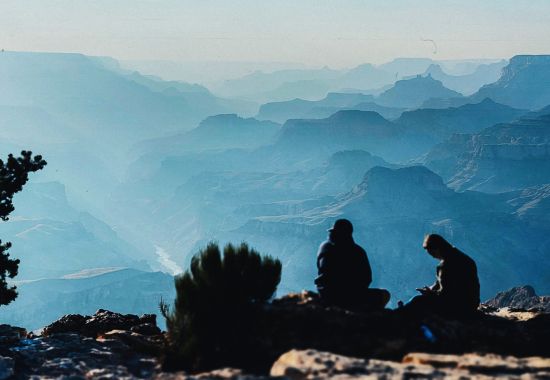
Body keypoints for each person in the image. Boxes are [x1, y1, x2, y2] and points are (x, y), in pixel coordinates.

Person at [314, 219, 390, 311]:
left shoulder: (324, 246)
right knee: (385, 294)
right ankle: (372, 315)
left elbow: (321, 270)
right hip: (351, 297)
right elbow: (367, 279)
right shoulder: (358, 251)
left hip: (324, 293)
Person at [403, 234, 480, 316]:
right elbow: (444, 283)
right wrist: (431, 288)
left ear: (437, 249)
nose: (433, 257)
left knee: (418, 300)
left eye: (432, 253)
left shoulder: (444, 266)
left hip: (458, 309)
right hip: (472, 305)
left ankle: (400, 315)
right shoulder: (465, 258)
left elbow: (445, 296)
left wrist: (429, 294)